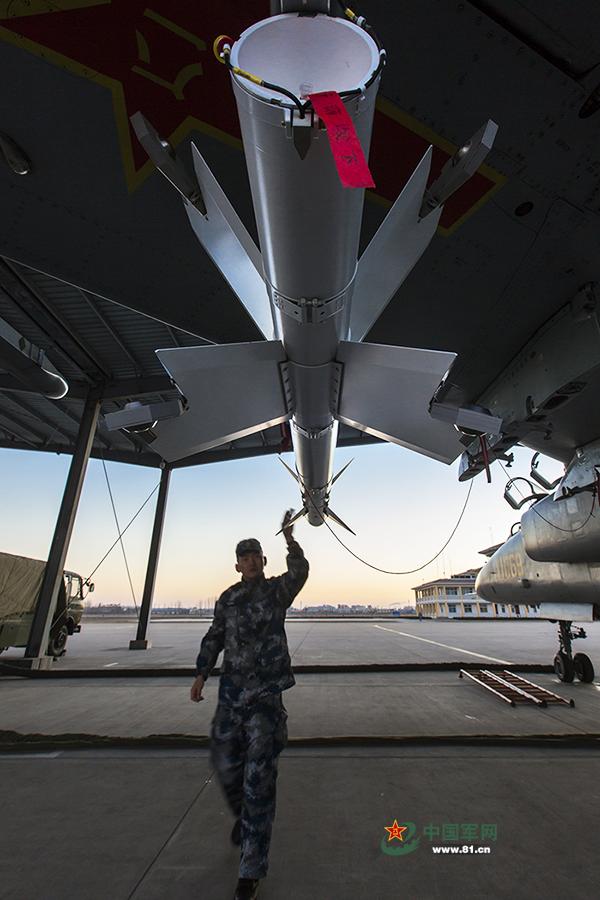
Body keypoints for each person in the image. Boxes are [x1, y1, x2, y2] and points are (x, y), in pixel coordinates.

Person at [190, 510, 309, 900]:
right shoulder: (228, 598)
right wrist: (202, 672)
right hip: (231, 699)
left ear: (264, 560)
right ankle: (244, 819)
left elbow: (300, 573)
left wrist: (291, 539)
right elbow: (215, 635)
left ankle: (250, 869)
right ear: (237, 564)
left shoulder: (277, 592)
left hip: (263, 702)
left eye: (258, 555)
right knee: (226, 766)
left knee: (259, 781)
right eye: (246, 557)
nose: (252, 560)